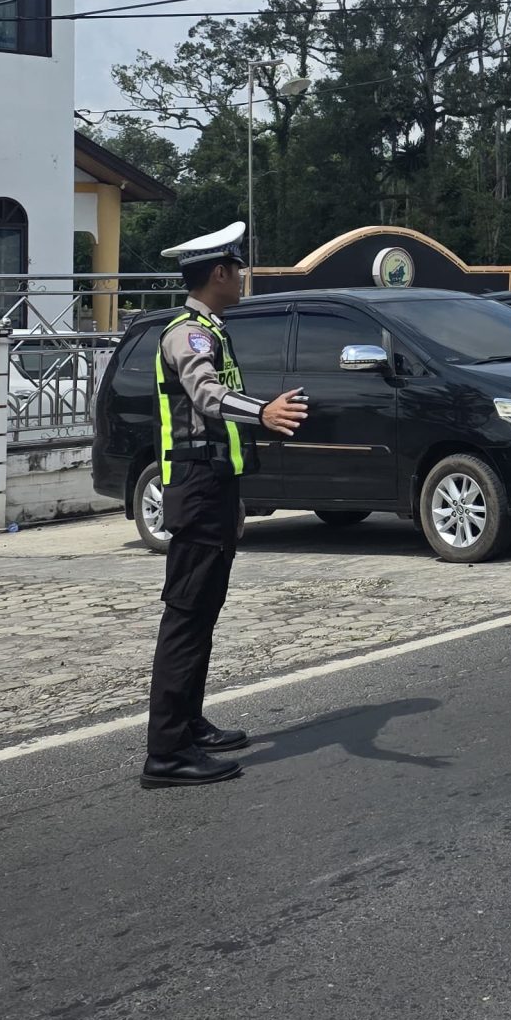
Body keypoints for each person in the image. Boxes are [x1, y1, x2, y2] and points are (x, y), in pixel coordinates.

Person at [142, 220, 309, 789]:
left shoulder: (210, 330)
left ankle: (189, 725)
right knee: (186, 617)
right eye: (236, 269)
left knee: (204, 612)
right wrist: (263, 412)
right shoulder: (188, 335)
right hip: (195, 489)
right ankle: (166, 753)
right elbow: (207, 395)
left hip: (215, 488)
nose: (241, 278)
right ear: (218, 273)